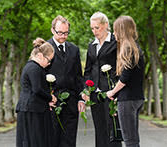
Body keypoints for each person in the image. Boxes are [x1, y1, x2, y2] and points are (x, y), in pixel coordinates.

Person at [82, 12, 122, 147]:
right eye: (92, 28)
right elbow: (87, 70)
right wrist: (86, 89)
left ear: (106, 25)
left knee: (113, 131)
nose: (94, 31)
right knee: (99, 130)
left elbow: (121, 69)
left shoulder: (116, 43)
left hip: (111, 94)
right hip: (95, 95)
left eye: (97, 28)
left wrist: (116, 91)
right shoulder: (91, 46)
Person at [106, 16, 145, 147]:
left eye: (115, 30)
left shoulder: (127, 49)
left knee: (129, 141)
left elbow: (125, 79)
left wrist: (112, 92)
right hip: (137, 98)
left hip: (128, 101)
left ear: (121, 31)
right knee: (133, 139)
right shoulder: (136, 48)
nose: (113, 33)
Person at [47, 15, 85, 147]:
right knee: (52, 140)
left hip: (71, 103)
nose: (63, 36)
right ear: (52, 30)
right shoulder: (44, 48)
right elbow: (39, 76)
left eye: (66, 33)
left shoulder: (74, 50)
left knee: (69, 140)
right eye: (60, 33)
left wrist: (81, 98)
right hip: (52, 102)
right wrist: (46, 97)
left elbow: (79, 76)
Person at [16, 38, 57, 147]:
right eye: (49, 60)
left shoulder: (33, 67)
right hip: (31, 110)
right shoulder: (34, 68)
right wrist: (50, 98)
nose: (49, 64)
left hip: (31, 108)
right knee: (34, 141)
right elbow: (37, 89)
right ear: (40, 56)